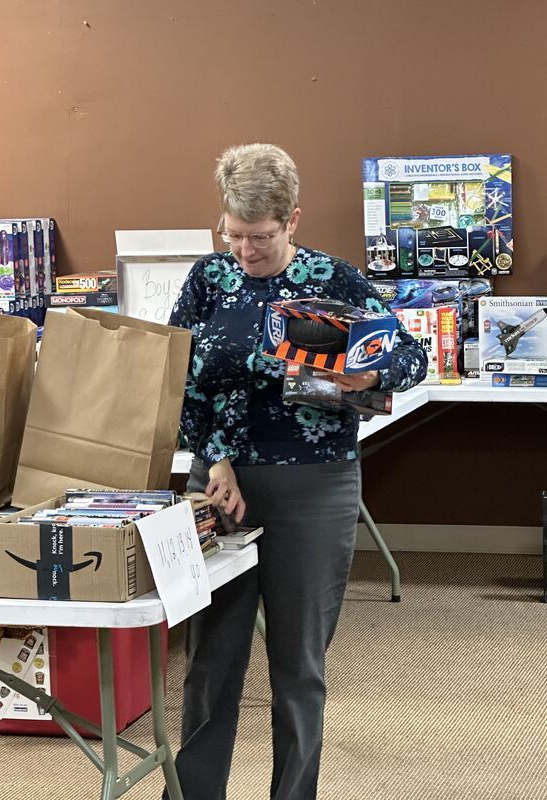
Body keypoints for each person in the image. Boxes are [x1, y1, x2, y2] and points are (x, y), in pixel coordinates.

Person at [165, 143, 427, 800]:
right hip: (220, 486)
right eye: (234, 235)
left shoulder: (334, 281)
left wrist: (370, 371)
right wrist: (214, 454)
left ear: (293, 221)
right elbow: (174, 382)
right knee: (210, 663)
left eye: (261, 237)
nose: (246, 251)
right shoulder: (208, 280)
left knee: (298, 667)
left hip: (315, 488)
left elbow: (413, 358)